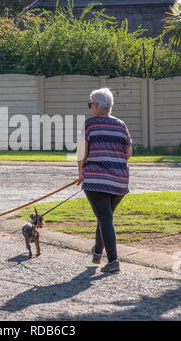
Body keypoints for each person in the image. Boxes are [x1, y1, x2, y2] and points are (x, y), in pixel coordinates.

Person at [77, 87, 132, 273]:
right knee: (105, 217)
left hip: (96, 180)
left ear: (97, 105)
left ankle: (114, 261)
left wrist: (80, 172)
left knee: (105, 218)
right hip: (120, 181)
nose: (90, 107)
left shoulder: (89, 124)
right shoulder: (121, 124)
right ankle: (97, 252)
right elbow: (128, 153)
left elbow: (81, 153)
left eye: (91, 104)